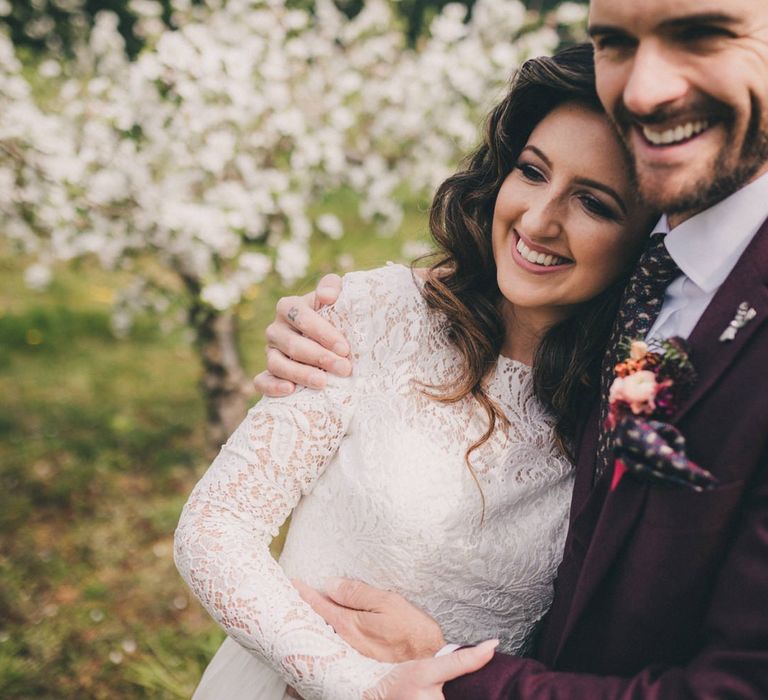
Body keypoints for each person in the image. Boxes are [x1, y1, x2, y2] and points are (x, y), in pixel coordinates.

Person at [257, 0, 768, 697]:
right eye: (615, 41)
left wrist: (450, 674)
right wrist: (370, 318)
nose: (644, 92)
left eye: (702, 35)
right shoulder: (653, 266)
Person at [174, 45, 656, 700]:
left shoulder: (638, 404)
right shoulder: (375, 315)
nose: (539, 220)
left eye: (594, 204)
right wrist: (355, 683)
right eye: (532, 172)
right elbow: (214, 527)